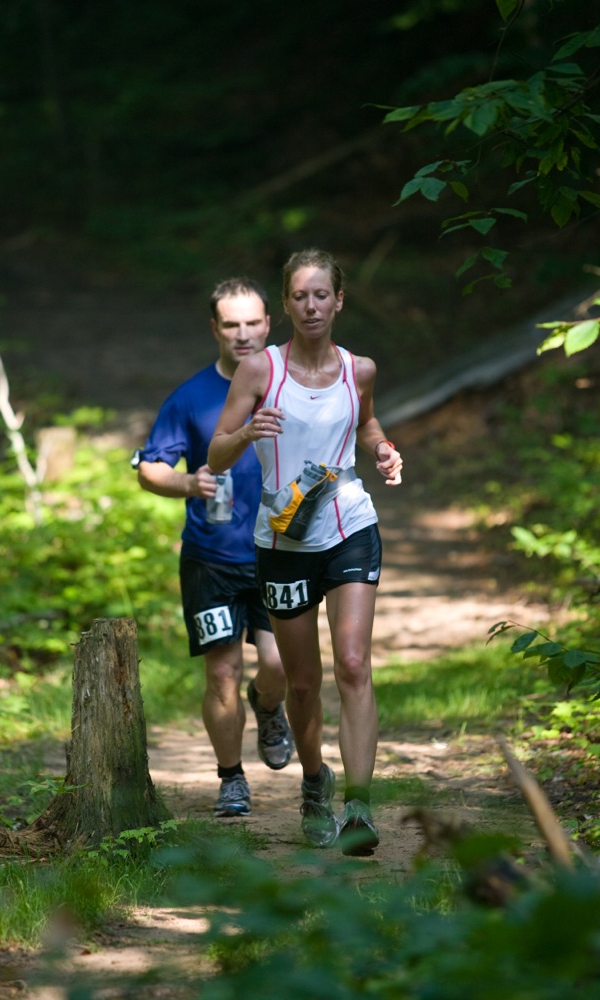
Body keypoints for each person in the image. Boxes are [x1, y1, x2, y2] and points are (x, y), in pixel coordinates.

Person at [208, 249, 403, 856]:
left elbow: (365, 424)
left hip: (349, 522)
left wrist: (383, 448)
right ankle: (315, 784)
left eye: (322, 295)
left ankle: (359, 809)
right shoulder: (260, 371)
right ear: (285, 304)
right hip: (284, 537)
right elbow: (215, 455)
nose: (311, 306)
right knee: (301, 683)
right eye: (299, 296)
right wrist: (245, 434)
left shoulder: (359, 369)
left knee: (352, 664)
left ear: (339, 300)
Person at [132, 277, 293, 819]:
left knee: (279, 665)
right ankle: (231, 779)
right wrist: (188, 483)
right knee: (222, 671)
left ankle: (269, 707)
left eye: (253, 323)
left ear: (269, 323)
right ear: (215, 329)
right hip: (210, 556)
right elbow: (149, 467)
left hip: (279, 550)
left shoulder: (293, 382)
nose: (243, 334)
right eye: (231, 324)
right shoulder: (192, 395)